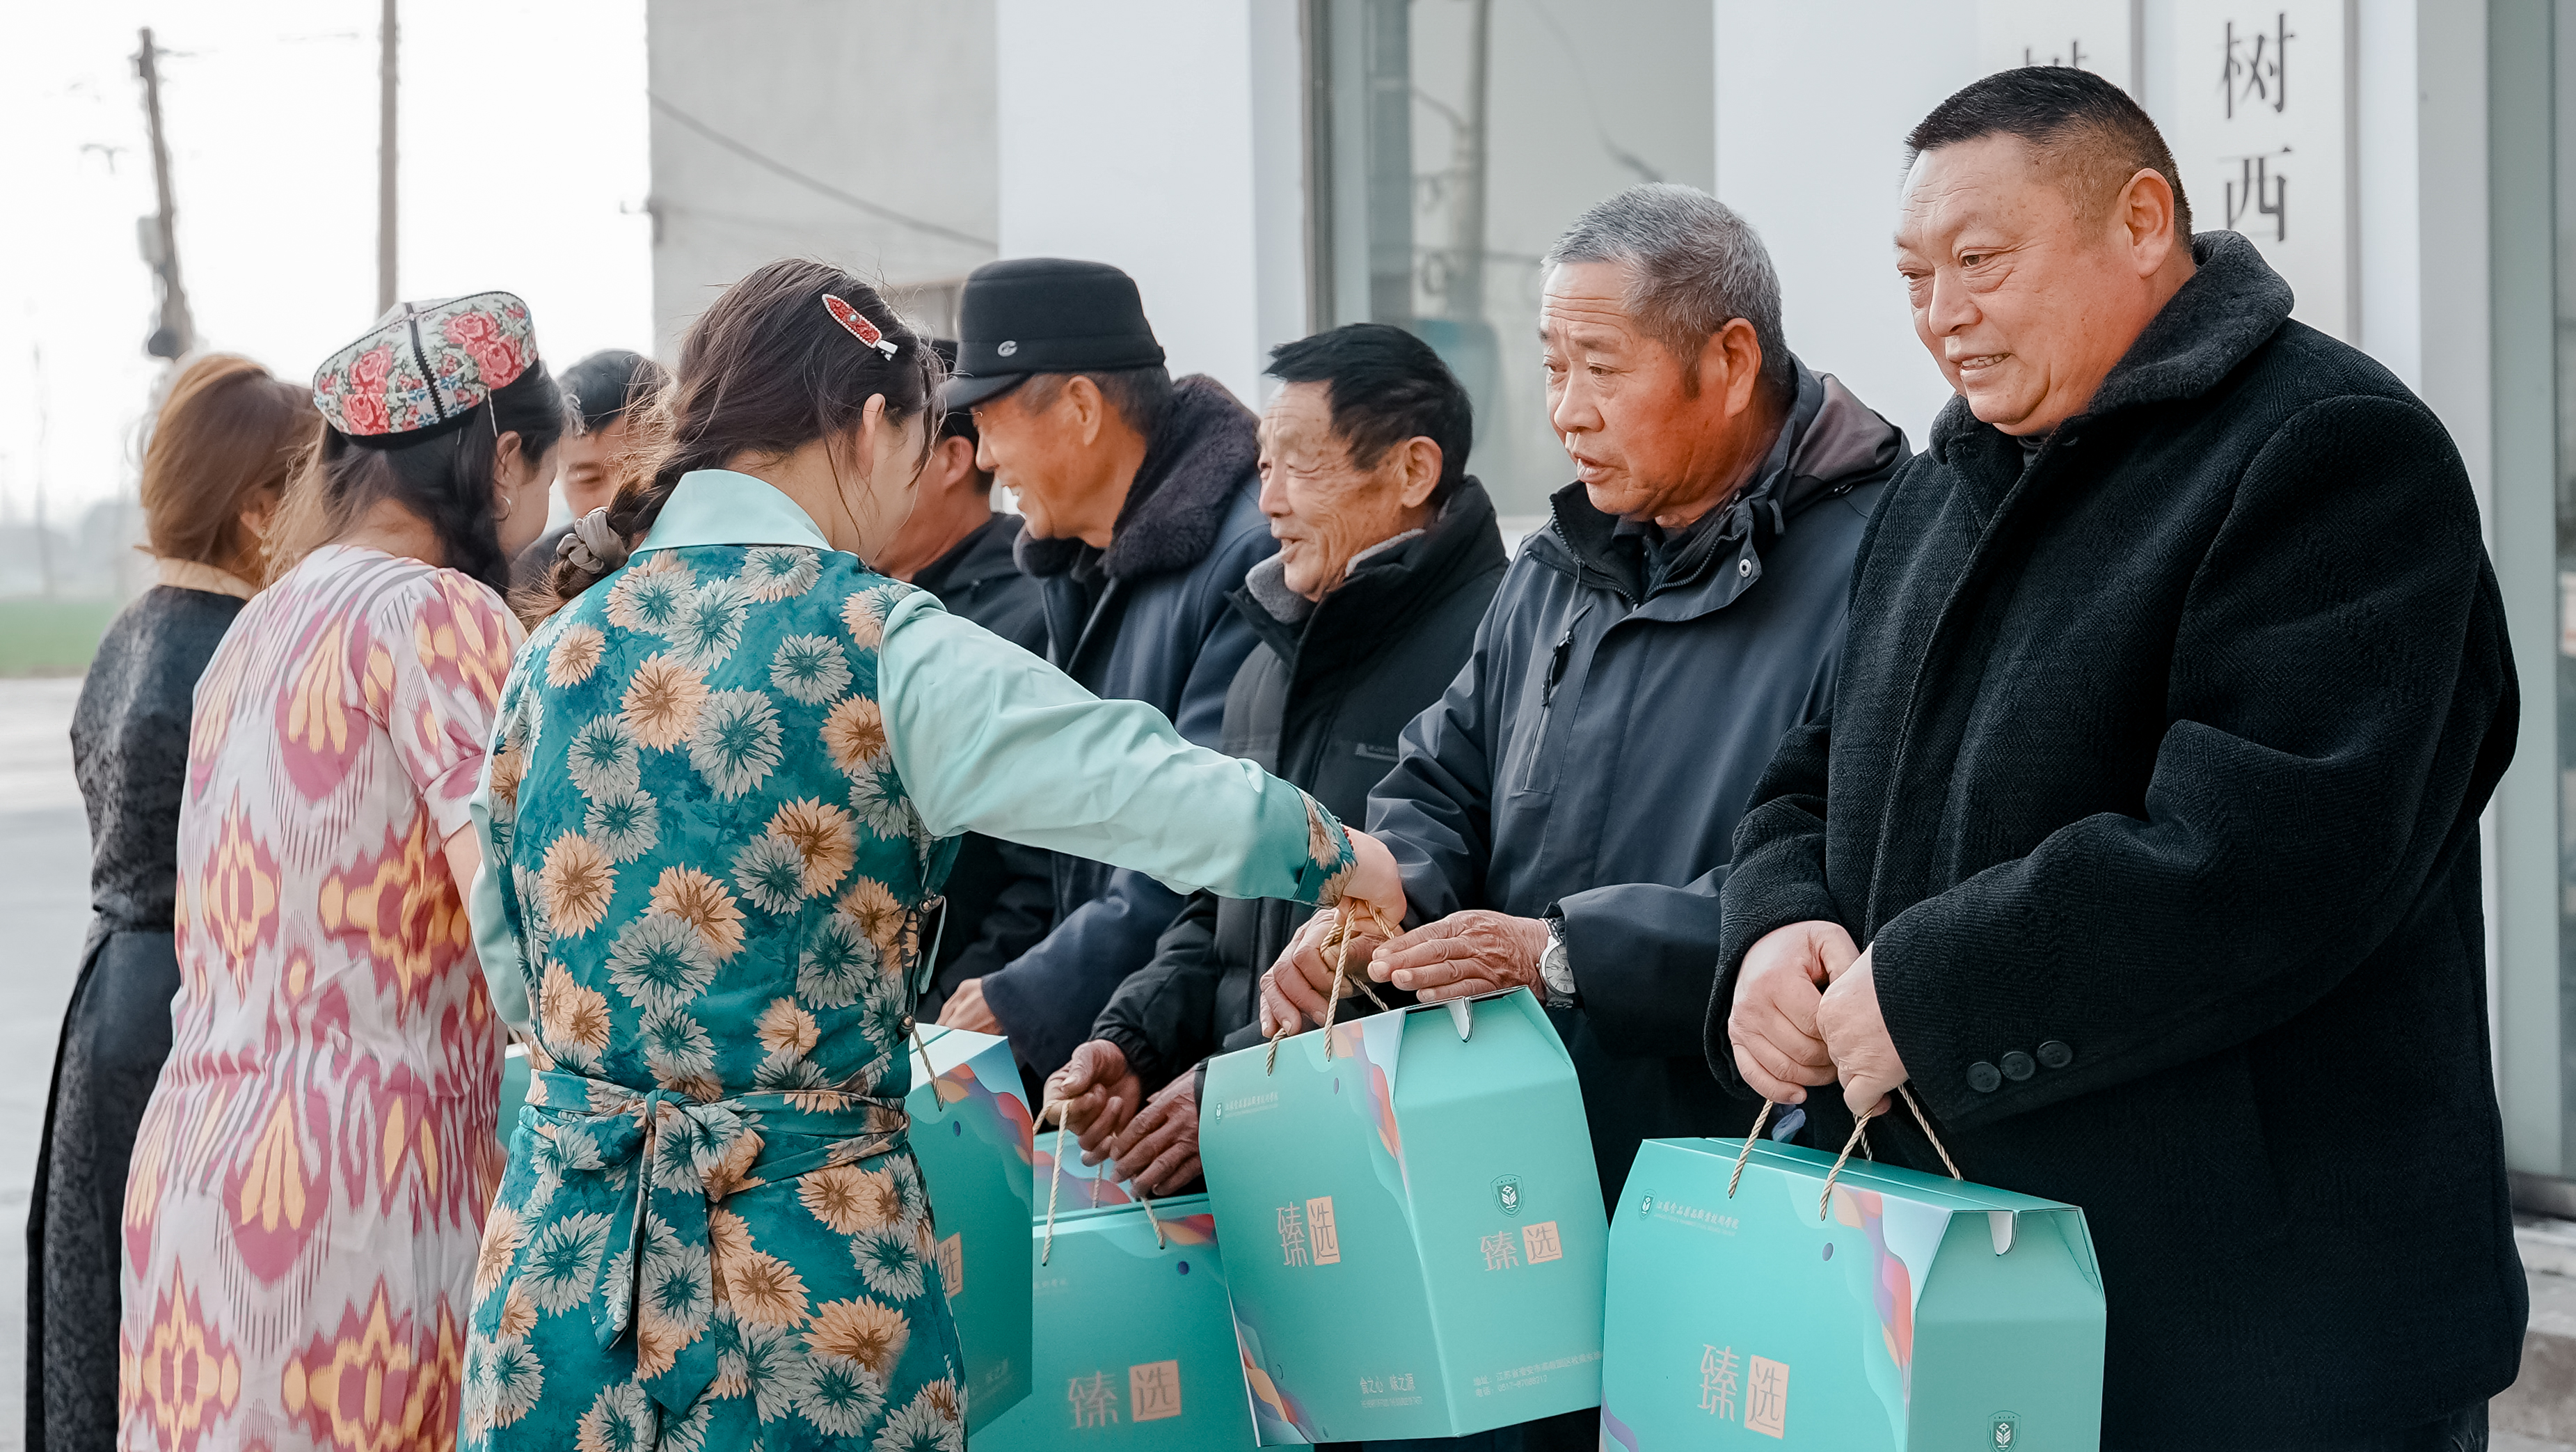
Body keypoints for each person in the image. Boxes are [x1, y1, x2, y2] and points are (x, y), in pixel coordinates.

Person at [461, 259, 1402, 1451]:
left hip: (562, 1276)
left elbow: (510, 957)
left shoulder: (555, 649)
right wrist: (1339, 854)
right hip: (802, 1278)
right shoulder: (879, 642)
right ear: (869, 428)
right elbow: (1132, 779)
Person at [1715, 68, 2520, 1449]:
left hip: (2260, 1332)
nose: (1941, 312)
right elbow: (1817, 766)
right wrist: (1776, 924)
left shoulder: (2330, 448)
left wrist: (1933, 991)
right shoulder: (1941, 485)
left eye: (1980, 261)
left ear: (2142, 223)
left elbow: (2266, 852)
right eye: (1913, 275)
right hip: (1961, 1301)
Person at [1264, 185, 1906, 1215]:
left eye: (1601, 368)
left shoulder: (1886, 562)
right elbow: (1442, 775)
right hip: (1511, 1164)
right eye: (1554, 367)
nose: (1567, 410)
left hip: (1736, 1183)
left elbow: (1851, 875)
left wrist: (1566, 954)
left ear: (1730, 362)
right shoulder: (1557, 563)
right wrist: (1382, 902)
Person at [117, 294, 561, 1451]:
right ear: (502, 460)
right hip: (359, 1191)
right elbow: (525, 931)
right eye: (549, 476)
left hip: (196, 1173)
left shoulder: (257, 628)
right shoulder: (441, 616)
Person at [1047, 323, 1509, 1193]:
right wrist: (1135, 1039)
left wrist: (1235, 1086)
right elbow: (1217, 906)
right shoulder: (1268, 657)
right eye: (1265, 465)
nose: (1269, 502)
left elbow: (1445, 933)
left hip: (1397, 1168)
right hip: (1253, 1141)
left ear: (1413, 471)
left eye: (1300, 464)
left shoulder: (1492, 647)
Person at [28, 354, 313, 1451]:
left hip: (108, 997)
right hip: (186, 1007)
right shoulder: (236, 648)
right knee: (186, 1329)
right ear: (257, 511)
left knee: (101, 1316)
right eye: (311, 486)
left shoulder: (134, 629)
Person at [932, 258, 1280, 1087]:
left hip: (1197, 1060)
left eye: (991, 423)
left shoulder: (1242, 557)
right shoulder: (1080, 563)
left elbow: (1200, 830)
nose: (987, 458)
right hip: (1116, 1050)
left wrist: (1030, 993)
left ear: (1083, 409)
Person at [870, 339, 1051, 1017]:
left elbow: (1039, 873)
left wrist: (940, 1019)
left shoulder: (1025, 615)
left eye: (882, 454)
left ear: (953, 459)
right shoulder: (866, 611)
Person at [512, 348, 667, 592]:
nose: (614, 498)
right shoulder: (531, 580)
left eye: (641, 474)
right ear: (554, 475)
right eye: (589, 479)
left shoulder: (714, 552)